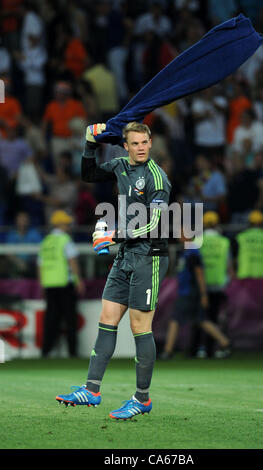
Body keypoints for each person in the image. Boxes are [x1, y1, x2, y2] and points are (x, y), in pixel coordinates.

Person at [56, 121, 172, 420]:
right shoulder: (121, 166)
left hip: (150, 256)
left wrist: (114, 235)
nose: (141, 147)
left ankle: (142, 399)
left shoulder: (157, 178)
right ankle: (91, 390)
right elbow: (88, 173)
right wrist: (90, 143)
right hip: (125, 255)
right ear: (126, 146)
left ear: (151, 141)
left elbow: (155, 224)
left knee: (139, 328)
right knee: (106, 319)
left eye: (145, 142)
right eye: (135, 143)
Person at [159, 230, 231, 361]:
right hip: (191, 292)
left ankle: (168, 351)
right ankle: (225, 342)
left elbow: (199, 274)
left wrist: (203, 294)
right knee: (201, 320)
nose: (179, 236)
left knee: (175, 320)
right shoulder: (188, 251)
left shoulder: (192, 253)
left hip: (189, 292)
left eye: (181, 233)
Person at [38, 210, 84, 358]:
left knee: (51, 320)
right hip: (65, 284)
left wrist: (42, 284)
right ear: (60, 224)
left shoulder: (46, 242)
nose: (69, 226)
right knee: (70, 320)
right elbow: (72, 261)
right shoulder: (65, 239)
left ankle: (45, 351)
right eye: (66, 223)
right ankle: (72, 352)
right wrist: (79, 281)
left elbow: (40, 265)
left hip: (50, 284)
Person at [194, 211, 233, 358]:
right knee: (213, 318)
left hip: (200, 285)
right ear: (217, 224)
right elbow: (229, 267)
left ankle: (197, 348)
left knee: (199, 319)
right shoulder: (224, 242)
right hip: (218, 284)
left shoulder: (197, 240)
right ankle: (210, 349)